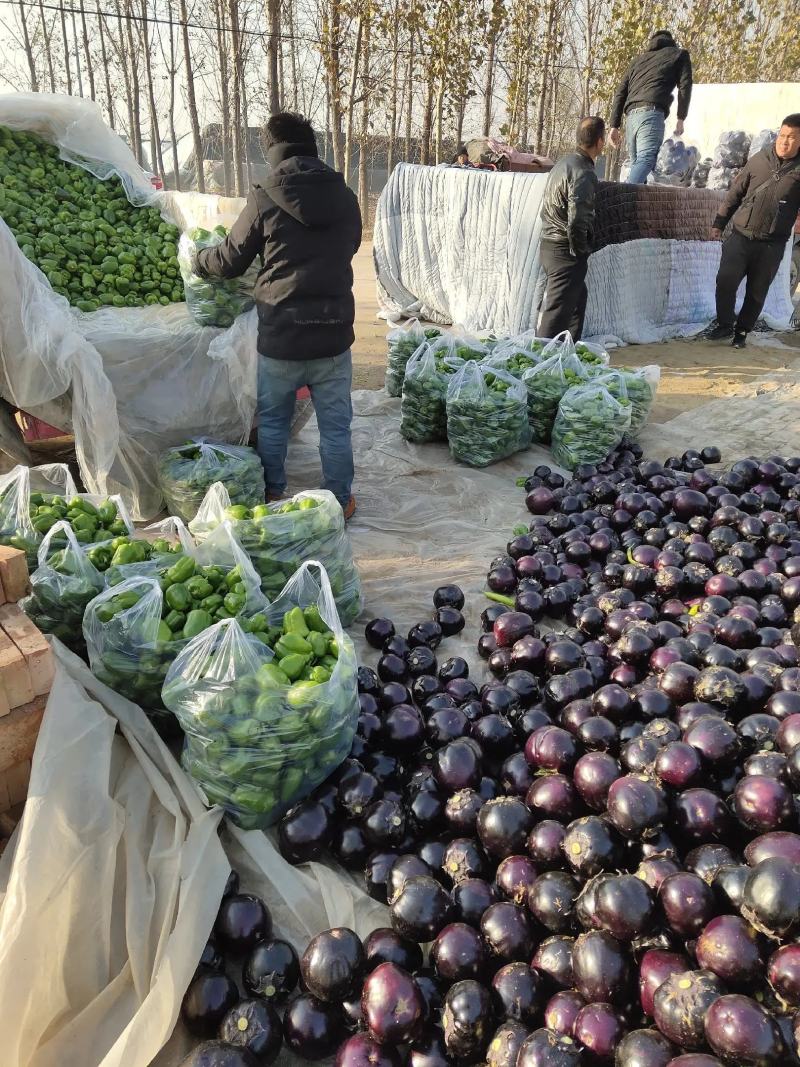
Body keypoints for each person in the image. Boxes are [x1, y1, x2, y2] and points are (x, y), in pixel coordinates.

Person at [193, 111, 362, 519]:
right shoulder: (345, 196)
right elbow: (351, 246)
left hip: (282, 334)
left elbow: (231, 260)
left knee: (272, 421)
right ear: (312, 144)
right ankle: (340, 499)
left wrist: (198, 261)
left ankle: (272, 490)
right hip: (332, 334)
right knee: (335, 427)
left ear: (272, 149)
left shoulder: (265, 196)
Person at [705, 115, 800, 349]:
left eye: (791, 138)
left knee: (757, 292)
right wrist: (719, 223)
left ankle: (742, 332)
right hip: (740, 235)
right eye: (782, 135)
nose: (784, 142)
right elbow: (735, 193)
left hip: (772, 243)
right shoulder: (759, 159)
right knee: (725, 281)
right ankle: (725, 324)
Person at [538, 116, 605, 340]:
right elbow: (577, 221)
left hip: (550, 244)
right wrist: (580, 251)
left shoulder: (563, 163)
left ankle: (567, 352)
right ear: (600, 142)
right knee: (556, 315)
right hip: (564, 249)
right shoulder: (583, 171)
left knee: (576, 302)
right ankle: (538, 363)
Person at [608, 29, 693, 184]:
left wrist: (614, 126)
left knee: (637, 167)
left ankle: (633, 206)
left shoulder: (637, 61)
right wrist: (681, 118)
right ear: (671, 41)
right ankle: (620, 202)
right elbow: (685, 86)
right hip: (651, 113)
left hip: (631, 117)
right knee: (646, 161)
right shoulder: (679, 54)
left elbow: (621, 92)